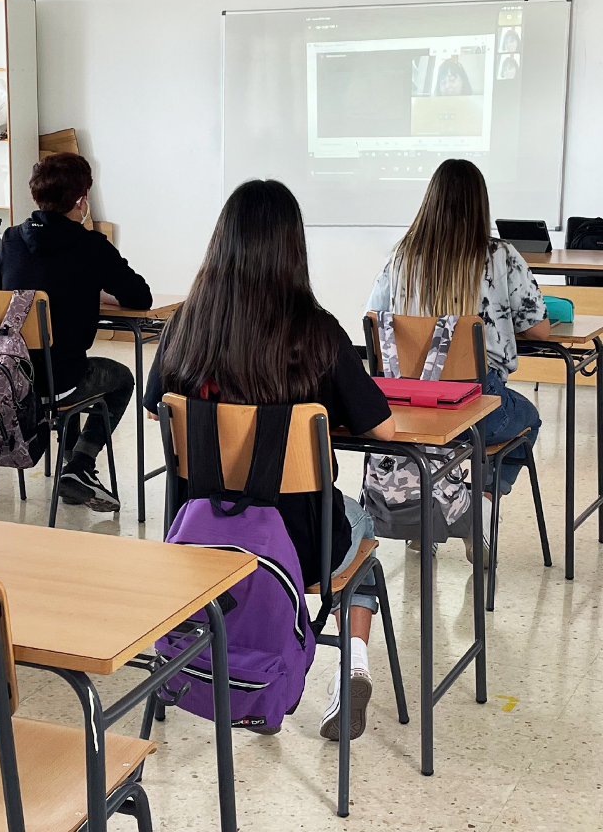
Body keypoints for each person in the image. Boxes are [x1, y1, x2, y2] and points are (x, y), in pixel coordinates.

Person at [144, 179, 396, 741]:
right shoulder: (319, 333)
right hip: (299, 549)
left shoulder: (185, 326)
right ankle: (351, 669)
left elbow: (155, 405)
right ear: (293, 248)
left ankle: (248, 665)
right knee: (363, 527)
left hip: (199, 545)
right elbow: (384, 428)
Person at [367, 158, 548, 540]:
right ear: (480, 204)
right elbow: (539, 328)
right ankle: (481, 505)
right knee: (529, 419)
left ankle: (425, 528)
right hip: (476, 407)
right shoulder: (500, 256)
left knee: (436, 442)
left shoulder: (401, 257)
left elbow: (373, 320)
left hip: (408, 409)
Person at [0, 153, 152, 512]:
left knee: (62, 364)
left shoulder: (10, 240)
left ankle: (71, 468)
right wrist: (95, 289)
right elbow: (140, 297)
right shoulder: (90, 245)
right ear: (81, 200)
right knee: (120, 378)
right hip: (61, 382)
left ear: (36, 196)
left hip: (10, 380)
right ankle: (79, 465)